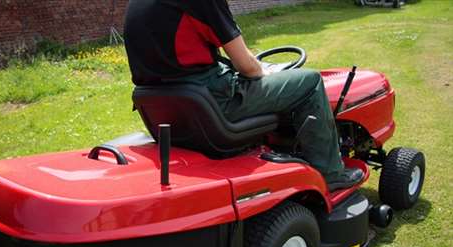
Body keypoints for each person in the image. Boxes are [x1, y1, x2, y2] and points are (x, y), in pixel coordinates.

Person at [123, 0, 363, 191]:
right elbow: (248, 67)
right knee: (309, 81)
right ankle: (331, 173)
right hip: (216, 102)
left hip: (169, 112)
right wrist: (262, 69)